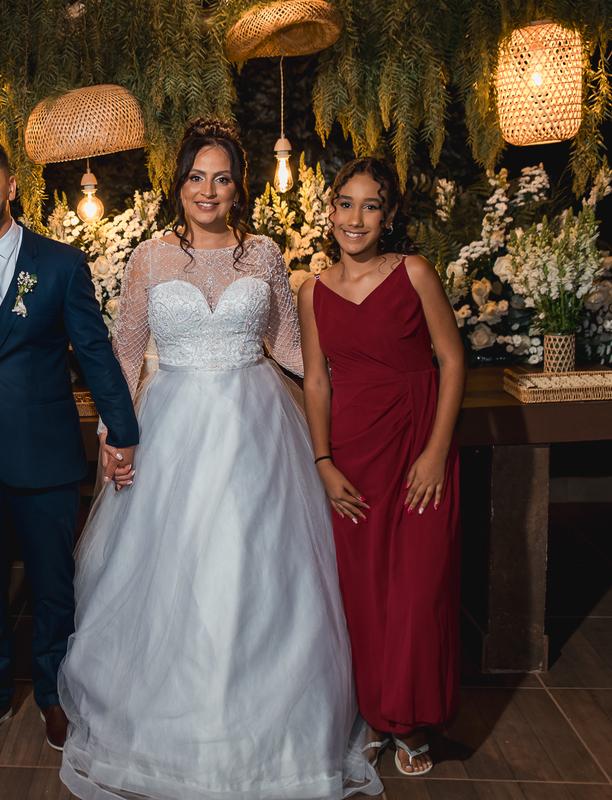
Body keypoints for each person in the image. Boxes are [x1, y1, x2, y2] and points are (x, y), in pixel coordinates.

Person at [56, 119, 383, 800]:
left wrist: (358, 380)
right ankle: (169, 722)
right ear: (178, 184)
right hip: (171, 429)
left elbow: (289, 348)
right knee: (173, 572)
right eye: (196, 177)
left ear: (239, 187)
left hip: (256, 427)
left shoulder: (261, 254)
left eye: (223, 178)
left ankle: (267, 725)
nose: (208, 190)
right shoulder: (149, 258)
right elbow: (123, 354)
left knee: (254, 567)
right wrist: (113, 435)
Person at [0, 137, 139, 753]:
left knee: (51, 583)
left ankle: (54, 693)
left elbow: (94, 353)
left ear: (11, 186)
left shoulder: (61, 264)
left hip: (44, 452)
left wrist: (123, 432)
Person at [299, 157, 464, 777]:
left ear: (389, 214)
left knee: (418, 592)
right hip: (354, 454)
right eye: (345, 203)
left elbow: (452, 361)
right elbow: (317, 381)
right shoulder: (312, 291)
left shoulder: (414, 272)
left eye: (371, 205)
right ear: (330, 210)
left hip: (419, 446)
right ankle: (375, 715)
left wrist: (436, 451)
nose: (356, 217)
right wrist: (323, 461)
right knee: (363, 593)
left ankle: (409, 720)